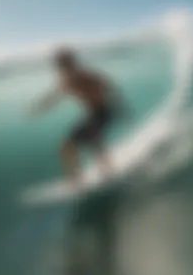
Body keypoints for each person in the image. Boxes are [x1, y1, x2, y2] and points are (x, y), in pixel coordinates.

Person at [31, 47, 127, 187]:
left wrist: (119, 107)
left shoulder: (86, 76)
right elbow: (55, 95)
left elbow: (107, 85)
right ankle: (77, 180)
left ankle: (108, 172)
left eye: (65, 64)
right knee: (66, 147)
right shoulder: (66, 81)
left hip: (103, 112)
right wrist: (42, 106)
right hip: (92, 115)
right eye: (60, 66)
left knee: (93, 138)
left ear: (72, 63)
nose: (63, 68)